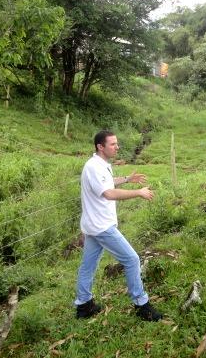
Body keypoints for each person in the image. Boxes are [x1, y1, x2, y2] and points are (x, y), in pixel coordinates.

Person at [75, 130, 162, 321]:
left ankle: (83, 305)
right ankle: (142, 304)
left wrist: (127, 180)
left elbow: (106, 183)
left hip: (93, 225)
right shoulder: (94, 167)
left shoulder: (99, 164)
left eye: (117, 143)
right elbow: (108, 193)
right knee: (131, 260)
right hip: (102, 227)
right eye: (113, 144)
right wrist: (138, 192)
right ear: (100, 146)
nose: (117, 147)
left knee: (88, 266)